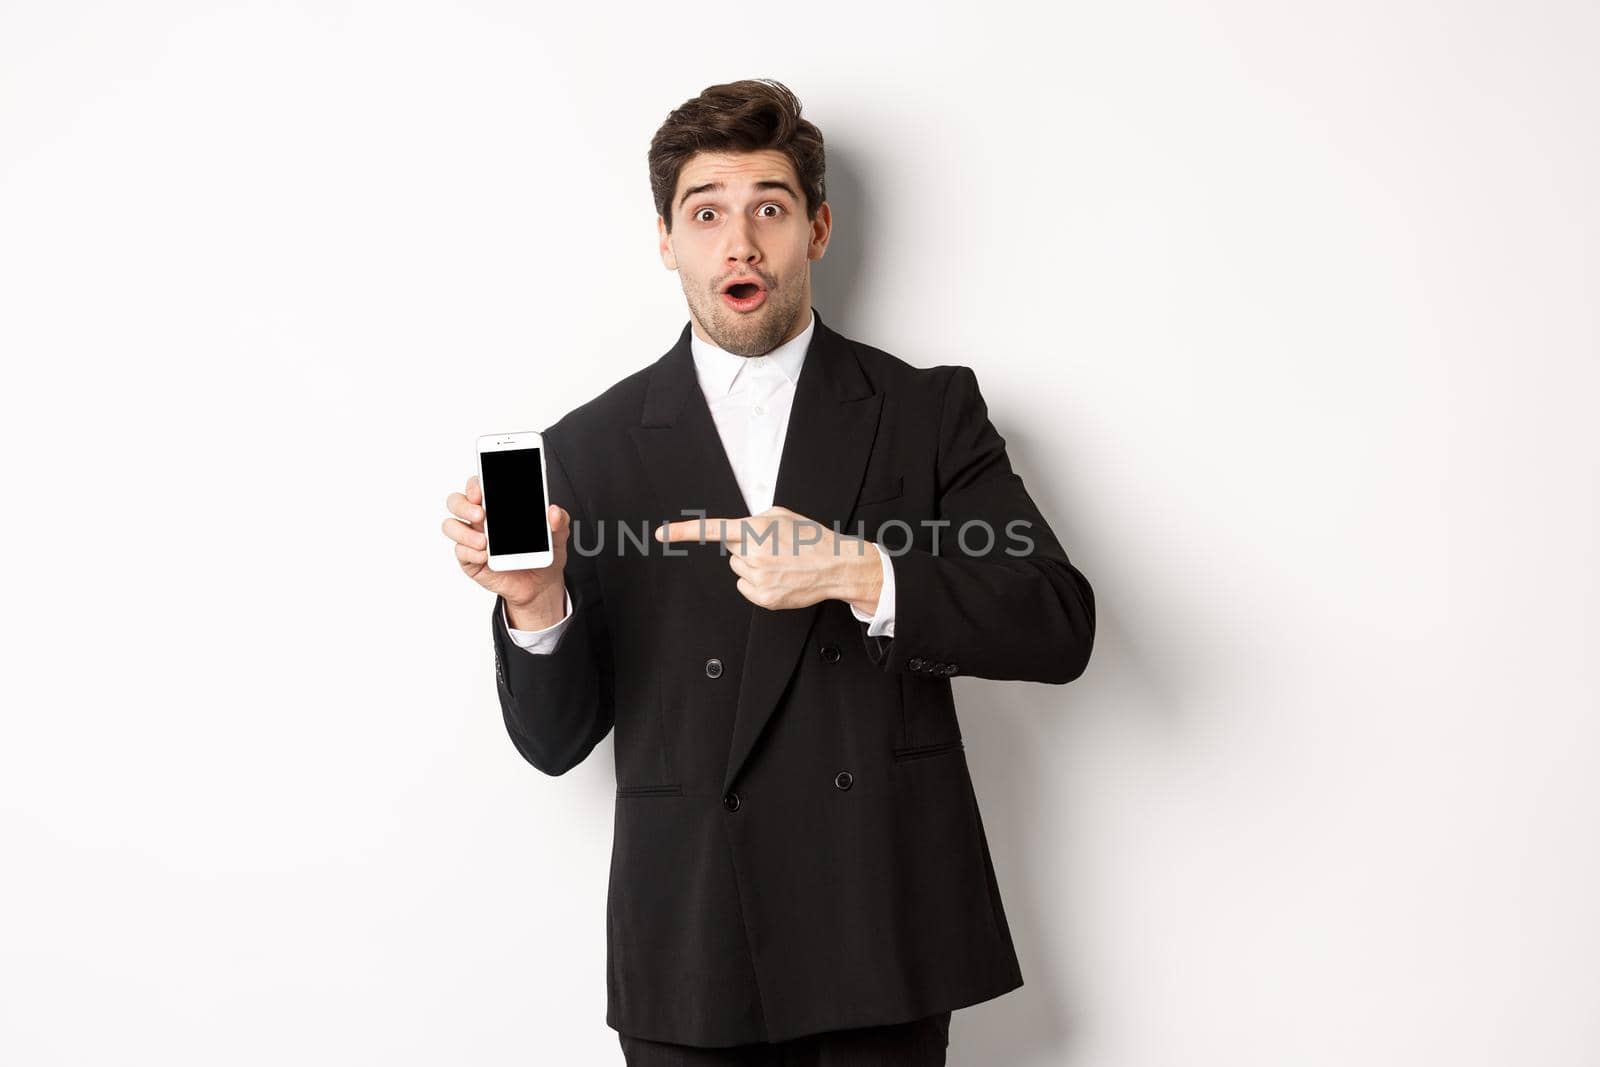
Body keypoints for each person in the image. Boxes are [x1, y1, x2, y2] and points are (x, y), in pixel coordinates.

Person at [441, 78, 1095, 1066]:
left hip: (880, 925)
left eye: (769, 209)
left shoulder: (926, 411)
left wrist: (861, 570)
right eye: (705, 213)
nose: (738, 242)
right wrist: (536, 602)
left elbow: (1055, 619)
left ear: (817, 228)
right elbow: (553, 739)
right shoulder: (590, 447)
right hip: (691, 940)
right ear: (666, 240)